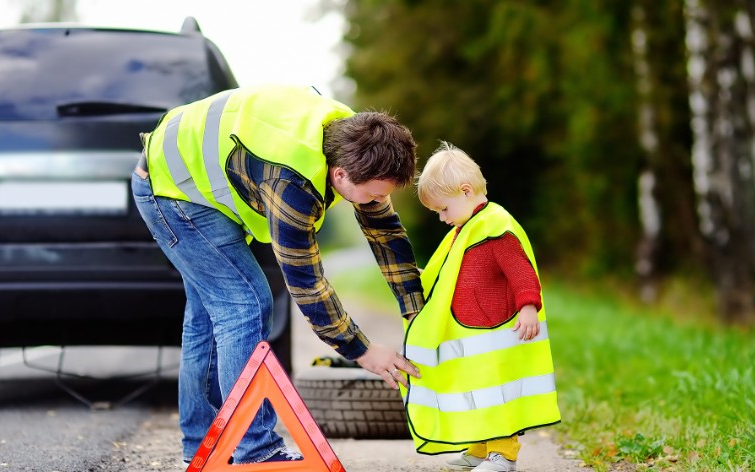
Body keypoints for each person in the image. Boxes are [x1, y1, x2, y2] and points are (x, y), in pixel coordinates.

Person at [131, 84, 425, 465]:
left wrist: (415, 311)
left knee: (208, 315)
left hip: (184, 174)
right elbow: (306, 282)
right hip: (170, 189)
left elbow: (385, 233)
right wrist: (362, 350)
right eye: (371, 195)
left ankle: (201, 449)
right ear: (340, 174)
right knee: (245, 304)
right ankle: (256, 451)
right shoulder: (291, 183)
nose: (376, 203)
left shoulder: (356, 141)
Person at [404, 142, 560, 472]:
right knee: (478, 394)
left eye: (443, 209)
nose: (442, 218)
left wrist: (529, 306)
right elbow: (446, 274)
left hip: (499, 333)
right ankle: (478, 450)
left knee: (499, 396)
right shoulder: (464, 230)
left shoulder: (495, 227)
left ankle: (503, 455)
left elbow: (521, 270)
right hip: (473, 336)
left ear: (465, 191)